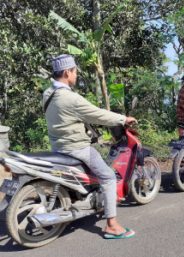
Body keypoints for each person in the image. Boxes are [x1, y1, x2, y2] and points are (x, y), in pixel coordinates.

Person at [43, 54, 136, 239]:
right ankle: (112, 225)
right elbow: (97, 114)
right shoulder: (70, 98)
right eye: (75, 71)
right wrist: (123, 119)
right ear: (68, 72)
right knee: (109, 177)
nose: (76, 75)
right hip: (77, 148)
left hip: (57, 147)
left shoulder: (47, 94)